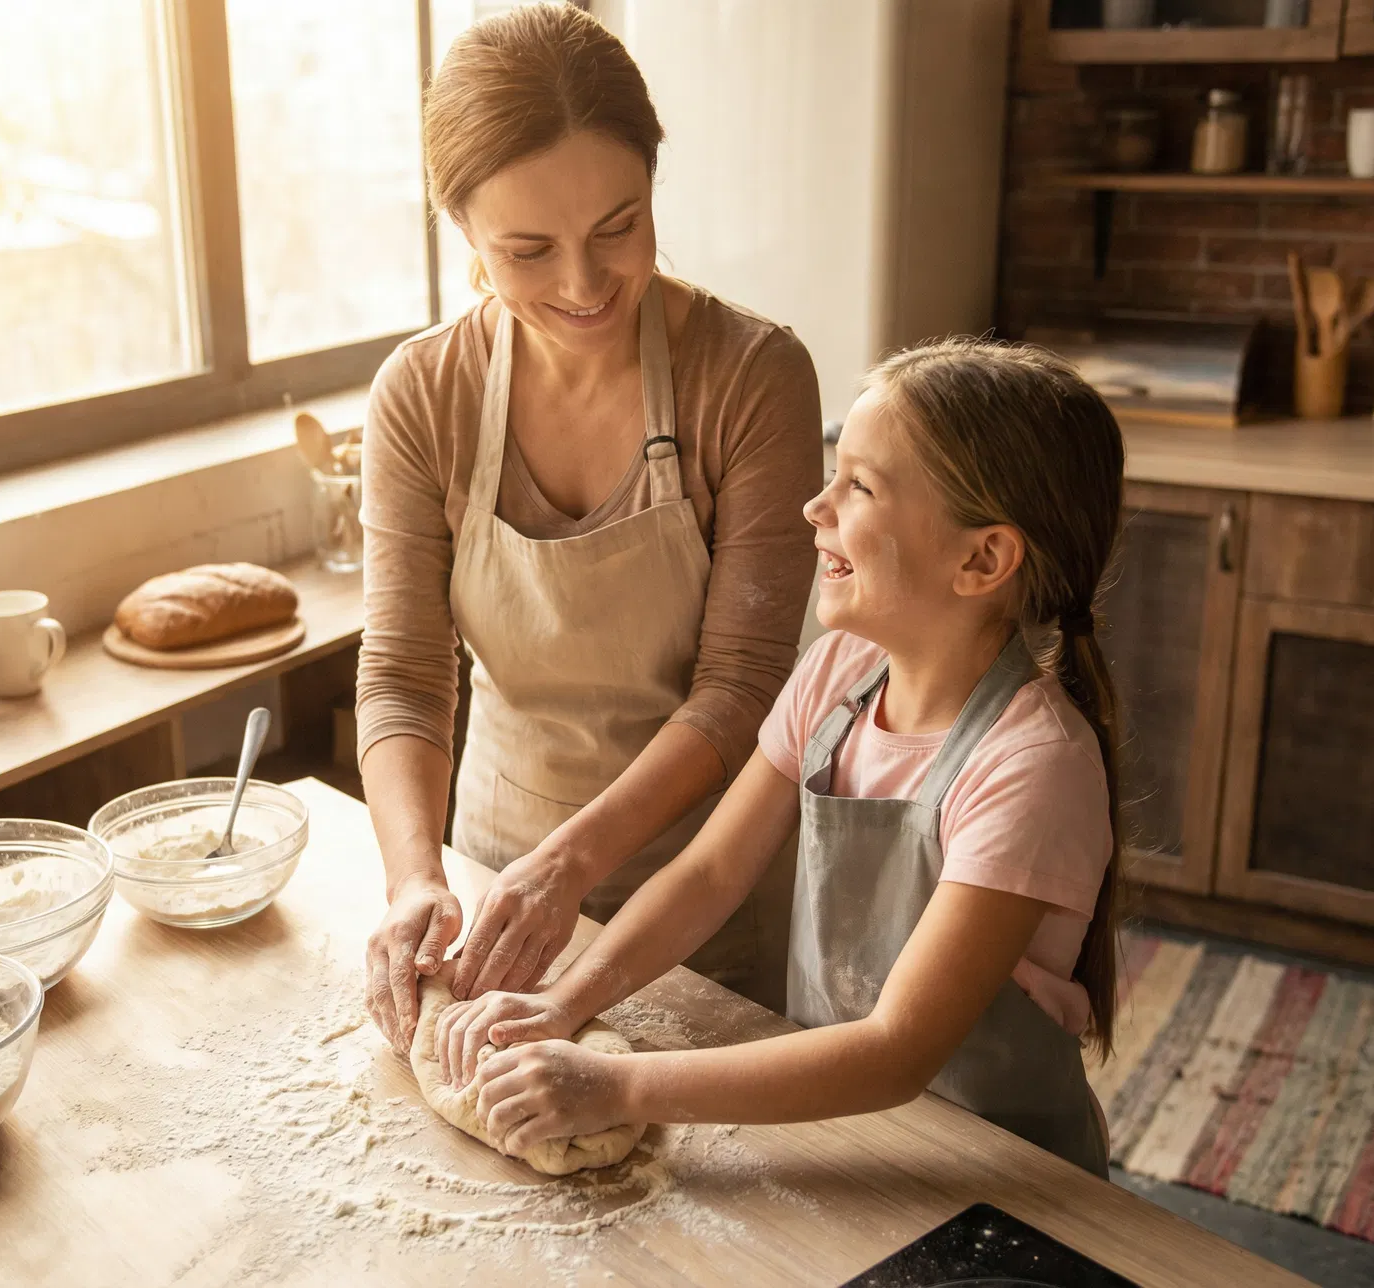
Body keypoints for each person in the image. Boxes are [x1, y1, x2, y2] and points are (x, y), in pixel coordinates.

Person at [430, 338, 1126, 1177]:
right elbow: (710, 875)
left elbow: (895, 1050)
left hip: (998, 1174)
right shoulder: (839, 674)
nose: (815, 507)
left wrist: (617, 1086)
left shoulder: (1032, 767)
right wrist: (562, 1005)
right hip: (845, 1131)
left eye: (859, 486)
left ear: (981, 559)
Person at [357, 5, 822, 1053]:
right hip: (489, 887)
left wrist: (572, 864)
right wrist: (415, 875)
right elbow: (402, 673)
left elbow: (743, 686)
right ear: (464, 233)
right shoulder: (422, 394)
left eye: (619, 226)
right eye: (528, 249)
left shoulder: (750, 377)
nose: (582, 284)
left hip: (701, 894)